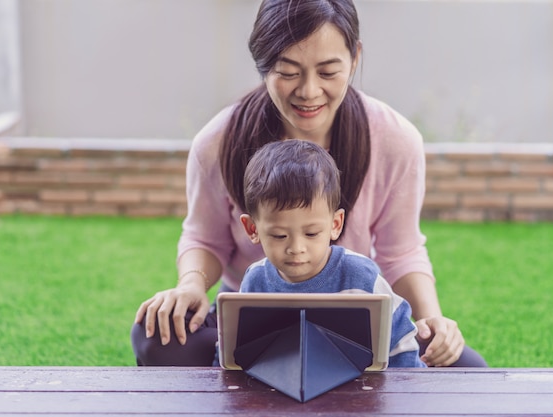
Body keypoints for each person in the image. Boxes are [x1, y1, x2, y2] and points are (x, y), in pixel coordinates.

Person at [132, 0, 487, 367]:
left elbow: (402, 251)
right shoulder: (219, 142)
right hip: (255, 313)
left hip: (352, 314)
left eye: (329, 71)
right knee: (153, 335)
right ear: (263, 62)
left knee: (469, 371)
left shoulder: (396, 140)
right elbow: (206, 238)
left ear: (355, 58)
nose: (309, 91)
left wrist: (432, 319)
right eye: (288, 71)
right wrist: (190, 285)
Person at [238, 139, 425, 368]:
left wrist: (401, 389)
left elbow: (400, 340)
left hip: (362, 393)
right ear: (253, 229)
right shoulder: (255, 282)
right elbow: (238, 350)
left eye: (312, 233)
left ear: (335, 224)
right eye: (279, 236)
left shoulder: (360, 277)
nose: (296, 248)